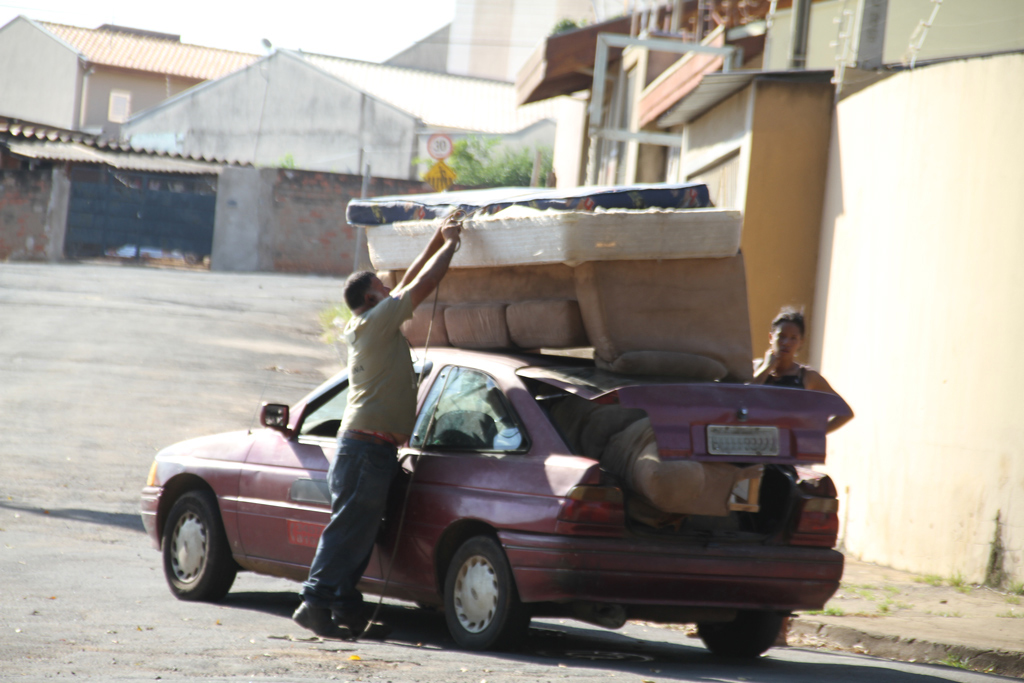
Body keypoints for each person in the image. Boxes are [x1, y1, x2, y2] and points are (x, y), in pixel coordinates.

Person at [293, 212, 463, 640]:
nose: (390, 291)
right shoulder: (376, 321)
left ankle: (343, 605)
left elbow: (405, 285)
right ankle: (314, 600)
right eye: (381, 289)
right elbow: (420, 287)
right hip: (366, 449)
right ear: (371, 301)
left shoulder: (368, 320)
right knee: (349, 528)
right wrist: (451, 246)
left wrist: (436, 235)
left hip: (365, 448)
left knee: (358, 531)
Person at [750, 307, 853, 433]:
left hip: (788, 448)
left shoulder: (806, 376)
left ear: (801, 342)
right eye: (781, 336)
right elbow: (740, 398)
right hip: (755, 441)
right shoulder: (757, 367)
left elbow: (845, 412)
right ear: (771, 337)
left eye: (793, 338)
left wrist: (815, 434)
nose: (786, 342)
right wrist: (766, 369)